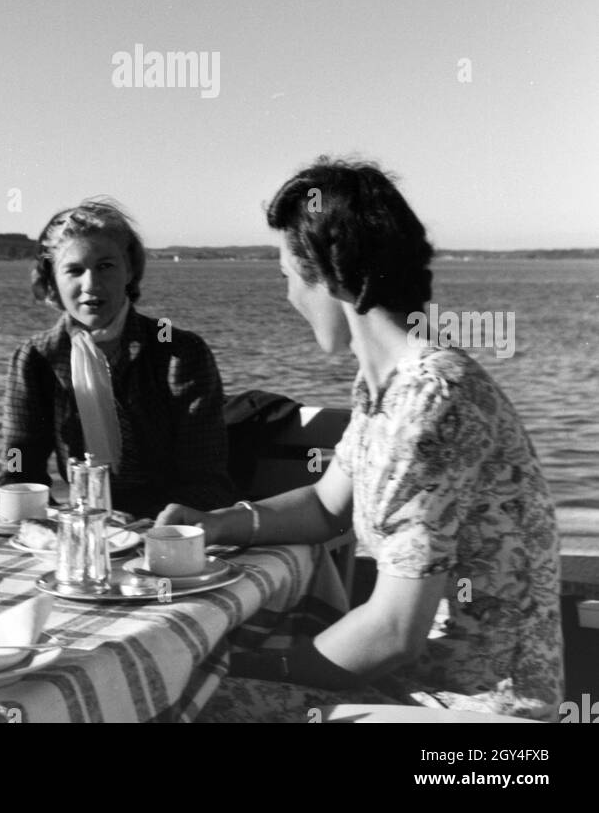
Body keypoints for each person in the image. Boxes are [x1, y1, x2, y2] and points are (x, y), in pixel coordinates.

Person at [158, 158, 564, 722]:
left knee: (185, 704)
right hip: (413, 692)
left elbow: (396, 632)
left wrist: (248, 668)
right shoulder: (386, 388)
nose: (288, 297)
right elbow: (327, 506)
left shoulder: (431, 399)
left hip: (479, 722)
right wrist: (217, 523)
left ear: (330, 275)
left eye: (287, 277)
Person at [0, 198, 235, 517]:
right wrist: (19, 501)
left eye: (105, 266)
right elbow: (20, 464)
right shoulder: (36, 358)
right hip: (84, 527)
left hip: (170, 531)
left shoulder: (179, 352)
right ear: (52, 279)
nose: (91, 285)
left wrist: (153, 529)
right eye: (74, 270)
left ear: (130, 269)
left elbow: (206, 478)